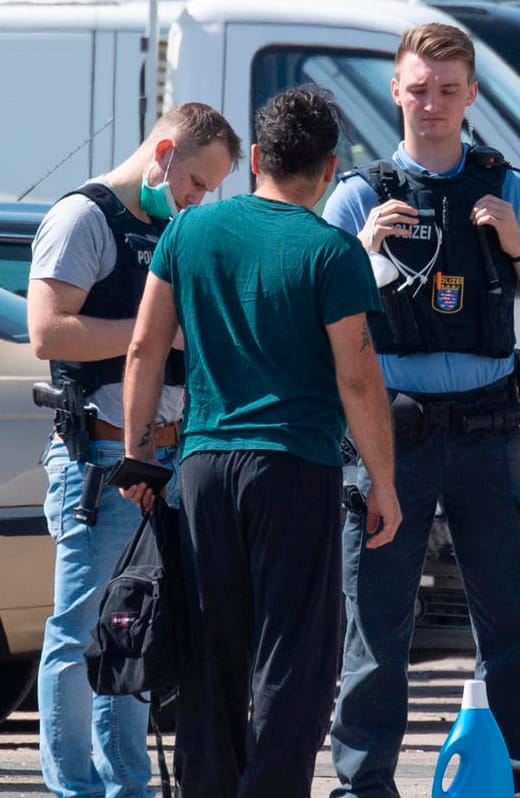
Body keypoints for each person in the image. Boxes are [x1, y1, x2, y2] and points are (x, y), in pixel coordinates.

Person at [121, 86, 401, 798]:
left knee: (210, 653)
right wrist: (384, 482)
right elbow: (359, 379)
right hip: (293, 468)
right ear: (331, 168)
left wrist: (137, 454)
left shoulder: (188, 233)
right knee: (292, 659)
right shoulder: (332, 251)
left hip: (203, 467)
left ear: (252, 159)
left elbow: (143, 349)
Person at [322, 22, 520, 798]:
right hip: (387, 436)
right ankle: (364, 784)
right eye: (418, 89)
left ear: (471, 96)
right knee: (376, 627)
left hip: (486, 429)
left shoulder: (510, 190)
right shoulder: (359, 195)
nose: (430, 104)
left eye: (446, 90)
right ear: (394, 92)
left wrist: (516, 245)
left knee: (510, 622)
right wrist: (360, 252)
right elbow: (320, 327)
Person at [27, 102, 240, 798]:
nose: (197, 199)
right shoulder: (83, 218)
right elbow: (49, 333)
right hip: (101, 458)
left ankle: (127, 785)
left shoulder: (169, 228)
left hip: (165, 461)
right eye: (197, 182)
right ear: (165, 152)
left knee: (134, 628)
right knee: (78, 632)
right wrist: (152, 334)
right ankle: (78, 788)